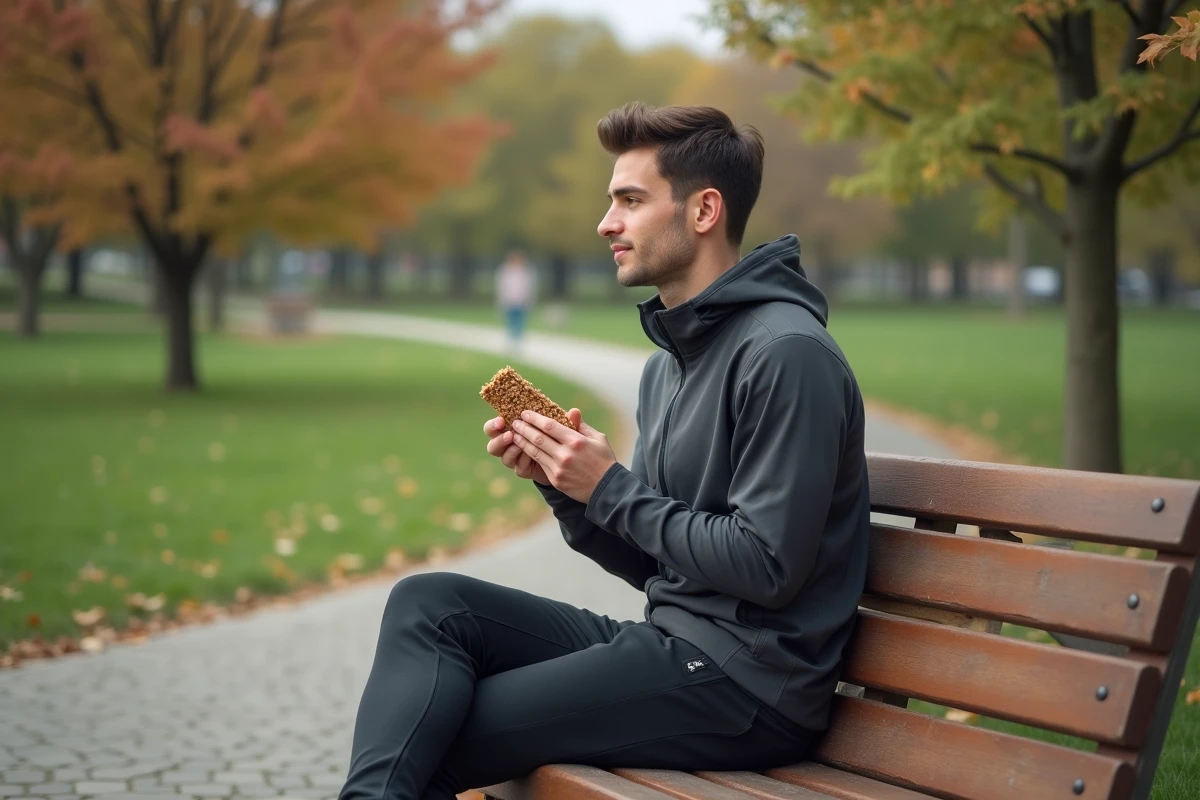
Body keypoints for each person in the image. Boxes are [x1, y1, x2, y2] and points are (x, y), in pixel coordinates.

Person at [339, 103, 871, 800]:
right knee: (430, 604)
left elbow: (768, 567)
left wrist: (610, 487)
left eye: (629, 200)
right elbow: (657, 564)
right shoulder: (670, 363)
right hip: (677, 647)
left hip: (750, 685)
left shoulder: (786, 354)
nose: (606, 223)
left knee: (429, 738)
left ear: (704, 210)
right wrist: (568, 486)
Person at [494, 249, 536, 352]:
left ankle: (518, 342)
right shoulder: (505, 272)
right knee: (511, 321)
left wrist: (529, 299)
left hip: (521, 301)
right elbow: (501, 287)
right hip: (509, 301)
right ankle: (511, 342)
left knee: (520, 322)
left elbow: (529, 287)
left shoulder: (525, 272)